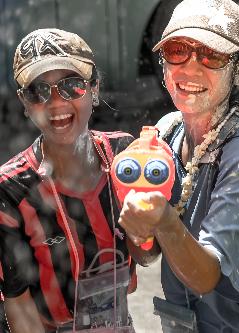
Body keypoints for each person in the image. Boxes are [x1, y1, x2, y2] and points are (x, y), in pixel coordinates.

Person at [117, 0, 239, 332]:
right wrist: (138, 225)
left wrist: (163, 221)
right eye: (178, 51)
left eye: (212, 56)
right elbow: (148, 255)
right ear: (162, 63)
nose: (191, 69)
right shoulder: (167, 131)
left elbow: (206, 277)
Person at [0, 28, 137, 332]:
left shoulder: (123, 156)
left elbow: (148, 254)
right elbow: (18, 303)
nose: (56, 103)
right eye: (38, 91)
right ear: (24, 102)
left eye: (72, 86)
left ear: (95, 89)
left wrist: (147, 225)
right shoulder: (10, 189)